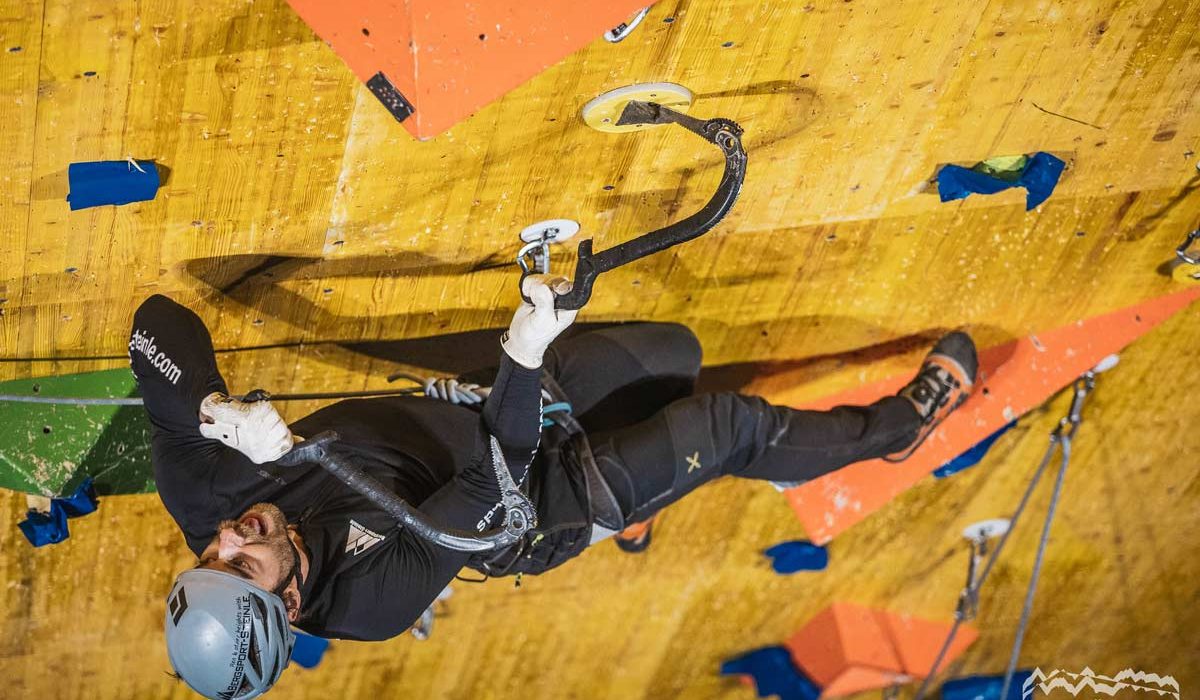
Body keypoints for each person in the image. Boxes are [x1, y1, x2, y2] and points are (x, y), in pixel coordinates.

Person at [134, 276, 977, 699]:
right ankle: (900, 430)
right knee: (729, 427)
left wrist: (211, 408)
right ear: (288, 605)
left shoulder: (210, 496)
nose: (230, 537)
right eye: (241, 565)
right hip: (543, 501)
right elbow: (496, 470)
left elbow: (154, 326)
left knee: (677, 355)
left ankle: (650, 493)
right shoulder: (375, 600)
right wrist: (524, 352)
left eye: (209, 556)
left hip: (474, 407)